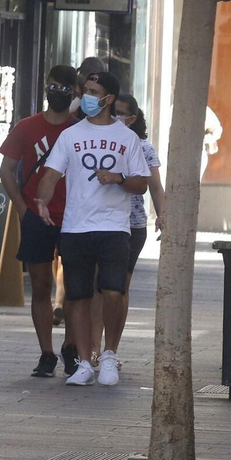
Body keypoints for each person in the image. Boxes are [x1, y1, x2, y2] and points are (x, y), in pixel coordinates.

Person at [32, 72, 150, 387]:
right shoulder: (70, 135)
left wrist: (118, 179)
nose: (86, 96)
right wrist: (41, 200)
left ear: (108, 98)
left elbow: (142, 183)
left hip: (114, 227)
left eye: (93, 91)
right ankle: (84, 361)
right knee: (78, 296)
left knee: (113, 291)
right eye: (85, 90)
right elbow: (51, 174)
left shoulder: (127, 138)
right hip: (76, 227)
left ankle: (109, 353)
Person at [2, 64, 79, 377]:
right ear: (45, 88)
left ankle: (71, 349)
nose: (57, 93)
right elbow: (7, 169)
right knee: (41, 284)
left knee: (75, 288)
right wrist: (21, 208)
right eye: (53, 86)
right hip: (36, 216)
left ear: (74, 92)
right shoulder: (26, 127)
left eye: (63, 88)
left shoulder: (79, 130)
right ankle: (46, 353)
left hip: (73, 218)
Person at [101, 95, 165, 363]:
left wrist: (163, 215)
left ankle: (111, 349)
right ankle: (93, 346)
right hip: (101, 221)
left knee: (120, 286)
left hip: (133, 225)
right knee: (98, 287)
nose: (116, 118)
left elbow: (155, 186)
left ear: (132, 119)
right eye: (113, 112)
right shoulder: (100, 141)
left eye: (122, 114)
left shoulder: (143, 147)